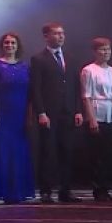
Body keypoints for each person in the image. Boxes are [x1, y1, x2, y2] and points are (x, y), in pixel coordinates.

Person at [28, 23, 83, 203]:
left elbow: (76, 87)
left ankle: (65, 190)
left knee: (67, 151)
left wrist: (78, 110)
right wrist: (41, 112)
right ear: (46, 36)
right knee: (48, 151)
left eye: (62, 33)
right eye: (56, 33)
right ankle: (46, 190)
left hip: (68, 112)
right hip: (49, 113)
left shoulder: (70, 58)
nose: (61, 36)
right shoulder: (38, 59)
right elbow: (36, 89)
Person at [0, 33, 35, 204]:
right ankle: (6, 190)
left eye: (13, 42)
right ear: (2, 45)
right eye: (6, 42)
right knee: (5, 151)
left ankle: (20, 189)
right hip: (3, 114)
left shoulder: (25, 67)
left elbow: (30, 94)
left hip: (21, 114)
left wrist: (29, 115)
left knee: (20, 152)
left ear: (17, 45)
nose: (10, 45)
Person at [81, 37, 112, 202]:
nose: (106, 52)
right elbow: (86, 96)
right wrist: (91, 118)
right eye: (102, 49)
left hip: (111, 113)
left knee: (109, 153)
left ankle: (106, 187)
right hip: (97, 111)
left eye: (108, 49)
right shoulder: (88, 70)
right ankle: (98, 188)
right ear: (95, 52)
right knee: (98, 154)